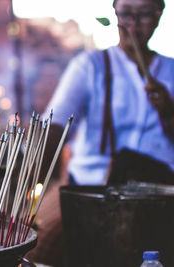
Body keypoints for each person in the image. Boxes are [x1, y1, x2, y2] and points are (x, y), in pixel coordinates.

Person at [27, 0, 174, 265]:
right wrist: (30, 175)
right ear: (115, 15)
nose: (134, 24)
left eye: (144, 14)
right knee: (35, 248)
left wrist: (169, 112)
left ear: (159, 15)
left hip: (161, 192)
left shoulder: (171, 71)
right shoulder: (90, 65)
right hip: (88, 189)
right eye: (127, 13)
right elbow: (56, 124)